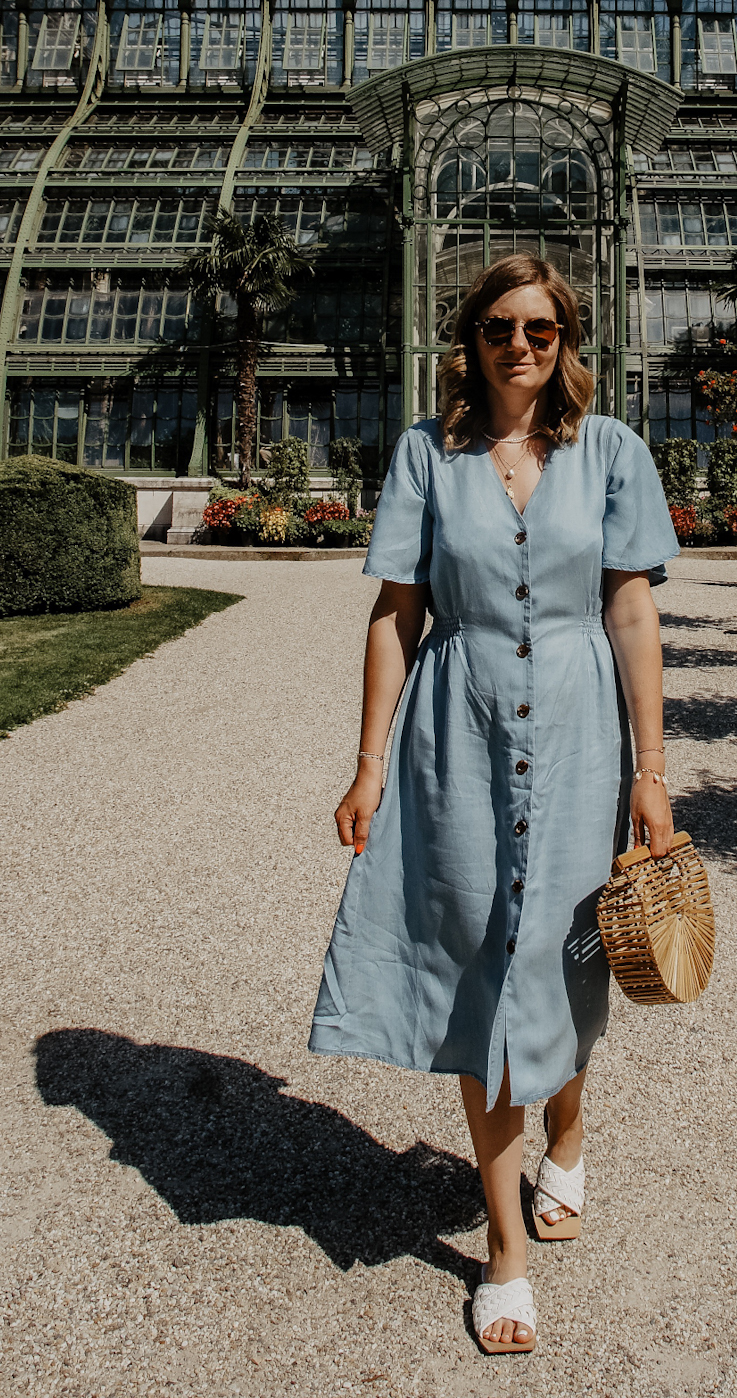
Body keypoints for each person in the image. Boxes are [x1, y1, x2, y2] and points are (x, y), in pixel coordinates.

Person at [310, 253, 679, 1354]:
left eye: (541, 327)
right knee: (483, 958)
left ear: (567, 340)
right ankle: (505, 1251)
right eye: (497, 326)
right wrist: (369, 762)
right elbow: (394, 614)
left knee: (567, 954)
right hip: (454, 736)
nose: (520, 344)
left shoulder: (612, 451)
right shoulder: (427, 454)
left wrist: (653, 771)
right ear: (466, 337)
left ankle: (567, 1126)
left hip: (578, 736)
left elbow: (632, 617)